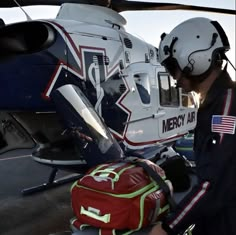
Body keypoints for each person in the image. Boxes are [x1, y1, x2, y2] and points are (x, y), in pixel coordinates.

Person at [149, 17, 236, 235]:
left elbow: (213, 183)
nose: (175, 80)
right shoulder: (216, 102)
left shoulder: (227, 106)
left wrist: (168, 227)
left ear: (193, 58)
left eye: (172, 68)